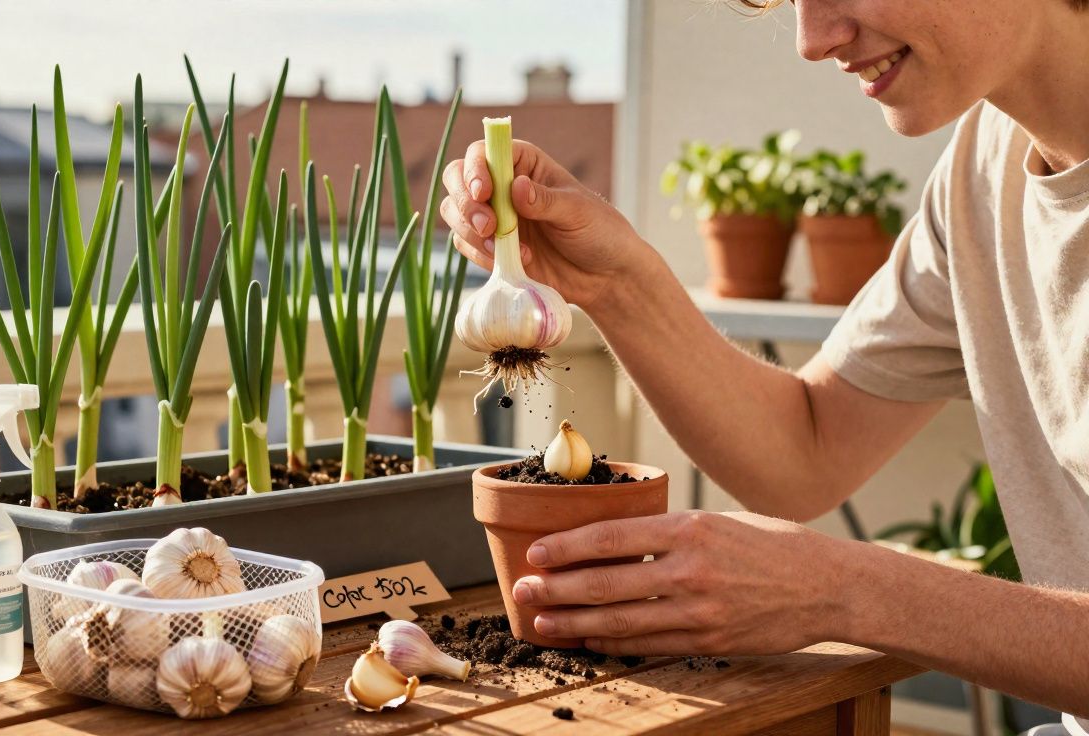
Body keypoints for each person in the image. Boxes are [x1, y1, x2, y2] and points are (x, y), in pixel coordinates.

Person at [438, 0, 1089, 723]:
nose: (812, 40)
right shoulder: (984, 167)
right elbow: (806, 447)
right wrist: (615, 280)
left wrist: (847, 590)